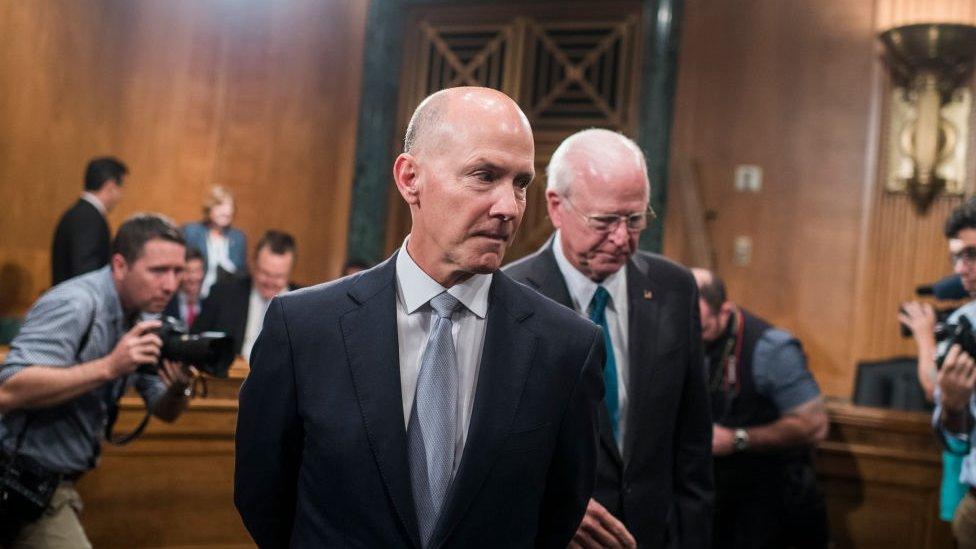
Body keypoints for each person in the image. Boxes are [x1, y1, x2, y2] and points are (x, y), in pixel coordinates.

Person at [234, 87, 605, 547]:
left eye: (520, 183)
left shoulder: (566, 347)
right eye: (484, 175)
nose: (508, 207)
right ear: (410, 178)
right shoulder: (304, 327)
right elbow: (263, 496)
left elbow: (557, 514)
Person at [505, 128, 712, 548]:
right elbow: (496, 452)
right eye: (604, 221)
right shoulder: (510, 297)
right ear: (556, 206)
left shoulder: (675, 288)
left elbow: (692, 444)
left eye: (634, 220)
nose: (622, 239)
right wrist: (555, 506)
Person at [0, 214, 196, 547]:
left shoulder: (145, 316)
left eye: (178, 271)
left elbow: (163, 410)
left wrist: (178, 388)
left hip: (52, 484)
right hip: (18, 475)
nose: (170, 285)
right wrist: (109, 366)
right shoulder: (76, 303)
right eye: (158, 270)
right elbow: (8, 389)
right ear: (120, 265)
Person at [692, 268, 829, 549]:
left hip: (775, 503)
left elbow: (815, 425)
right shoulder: (689, 336)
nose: (694, 336)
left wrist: (738, 439)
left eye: (702, 329)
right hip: (718, 502)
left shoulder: (773, 349)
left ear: (725, 310)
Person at [929, 199, 976, 549]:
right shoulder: (963, 324)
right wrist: (954, 408)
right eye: (957, 257)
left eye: (972, 254)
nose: (961, 269)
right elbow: (953, 439)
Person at [192, 230, 296, 361]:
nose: (270, 282)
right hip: (230, 379)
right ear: (253, 264)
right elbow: (195, 341)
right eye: (265, 273)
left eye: (278, 276)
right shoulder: (222, 294)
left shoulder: (304, 305)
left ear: (290, 273)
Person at [50, 157, 127, 285]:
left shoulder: (81, 213)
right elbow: (85, 272)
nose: (121, 196)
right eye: (121, 189)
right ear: (110, 186)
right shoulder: (88, 218)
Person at [182, 185, 248, 298]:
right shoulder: (191, 232)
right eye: (220, 204)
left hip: (225, 299)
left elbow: (242, 274)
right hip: (194, 298)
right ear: (209, 208)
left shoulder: (238, 238)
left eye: (230, 206)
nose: (226, 211)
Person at [163, 247, 205, 329]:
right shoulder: (166, 305)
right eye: (187, 271)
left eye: (197, 270)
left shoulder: (209, 305)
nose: (193, 277)